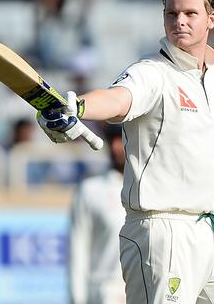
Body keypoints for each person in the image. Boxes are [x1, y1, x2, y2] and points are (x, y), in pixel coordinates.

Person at [35, 0, 214, 304]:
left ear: (211, 18)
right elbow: (118, 99)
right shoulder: (150, 72)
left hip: (213, 231)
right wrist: (79, 106)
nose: (180, 21)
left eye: (190, 13)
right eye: (171, 14)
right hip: (161, 230)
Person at [68, 124, 126, 304]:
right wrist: (77, 298)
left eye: (123, 139)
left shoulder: (155, 189)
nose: (117, 146)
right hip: (104, 292)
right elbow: (78, 248)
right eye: (113, 140)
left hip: (146, 289)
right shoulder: (91, 190)